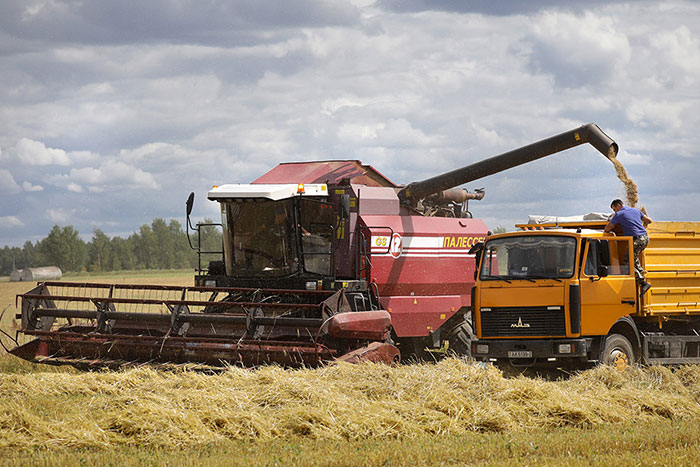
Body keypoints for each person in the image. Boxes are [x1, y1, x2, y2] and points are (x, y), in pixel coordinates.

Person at [604, 199, 653, 294]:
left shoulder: (618, 215)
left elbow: (607, 228)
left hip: (636, 240)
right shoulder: (635, 210)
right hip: (645, 238)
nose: (615, 212)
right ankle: (640, 272)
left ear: (618, 205)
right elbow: (649, 221)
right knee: (634, 258)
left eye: (614, 209)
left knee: (627, 264)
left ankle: (643, 283)